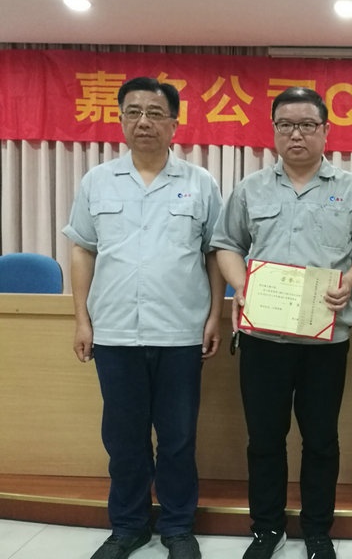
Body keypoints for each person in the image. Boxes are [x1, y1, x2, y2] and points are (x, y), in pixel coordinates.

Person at [211, 87, 352, 559]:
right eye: (286, 125)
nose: (296, 134)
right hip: (263, 336)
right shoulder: (250, 189)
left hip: (325, 338)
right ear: (274, 131)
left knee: (321, 439)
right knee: (264, 439)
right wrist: (240, 284)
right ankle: (267, 528)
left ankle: (317, 530)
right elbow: (227, 244)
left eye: (307, 125)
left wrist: (349, 281)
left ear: (326, 130)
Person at [64, 77, 225, 559]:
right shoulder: (97, 181)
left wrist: (215, 315)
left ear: (174, 124)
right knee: (124, 438)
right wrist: (81, 319)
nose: (143, 122)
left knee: (178, 437)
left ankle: (177, 527)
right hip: (114, 331)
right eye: (133, 112)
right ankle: (128, 526)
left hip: (180, 331)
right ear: (120, 120)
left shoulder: (200, 182)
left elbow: (215, 252)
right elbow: (82, 249)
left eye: (155, 113)